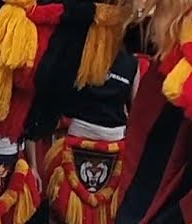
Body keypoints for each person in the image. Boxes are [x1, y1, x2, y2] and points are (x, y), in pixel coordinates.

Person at [44, 45, 140, 223]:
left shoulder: (131, 63)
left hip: (112, 147)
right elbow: (135, 112)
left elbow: (136, 113)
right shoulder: (81, 54)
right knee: (65, 211)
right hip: (79, 142)